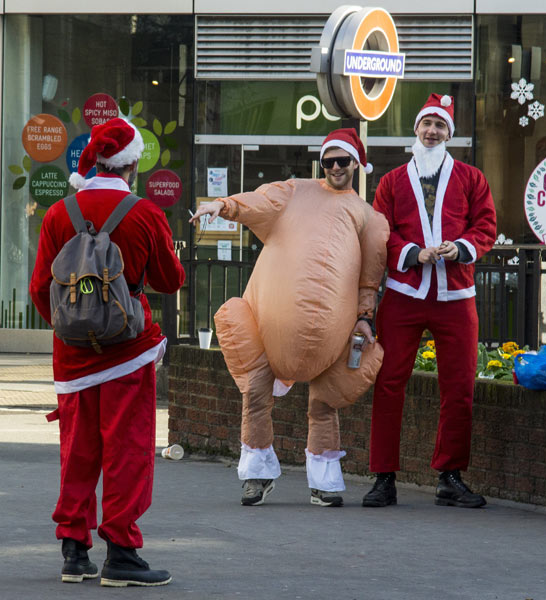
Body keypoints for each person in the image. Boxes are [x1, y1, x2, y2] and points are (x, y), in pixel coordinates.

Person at [190, 128, 389, 508]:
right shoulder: (295, 190)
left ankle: (325, 482)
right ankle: (256, 476)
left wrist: (365, 317)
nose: (334, 167)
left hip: (334, 332)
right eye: (327, 160)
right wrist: (224, 205)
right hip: (270, 323)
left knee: (323, 403)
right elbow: (257, 203)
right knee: (256, 395)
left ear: (356, 164)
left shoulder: (369, 218)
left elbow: (369, 276)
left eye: (342, 160)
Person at [29, 118, 185, 586]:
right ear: (132, 163)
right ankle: (121, 551)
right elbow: (169, 281)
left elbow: (41, 288)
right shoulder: (142, 213)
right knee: (127, 450)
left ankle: (74, 552)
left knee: (77, 451)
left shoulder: (60, 213)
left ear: (93, 158)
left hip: (72, 359)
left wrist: (72, 329)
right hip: (127, 353)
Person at [362, 93, 497, 509]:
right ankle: (383, 476)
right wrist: (411, 253)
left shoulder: (472, 178)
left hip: (457, 295)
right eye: (427, 124)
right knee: (389, 384)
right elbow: (381, 231)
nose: (432, 131)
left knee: (459, 388)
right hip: (404, 294)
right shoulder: (392, 181)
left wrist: (461, 247)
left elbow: (486, 226)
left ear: (448, 134)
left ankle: (449, 476)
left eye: (440, 126)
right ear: (416, 129)